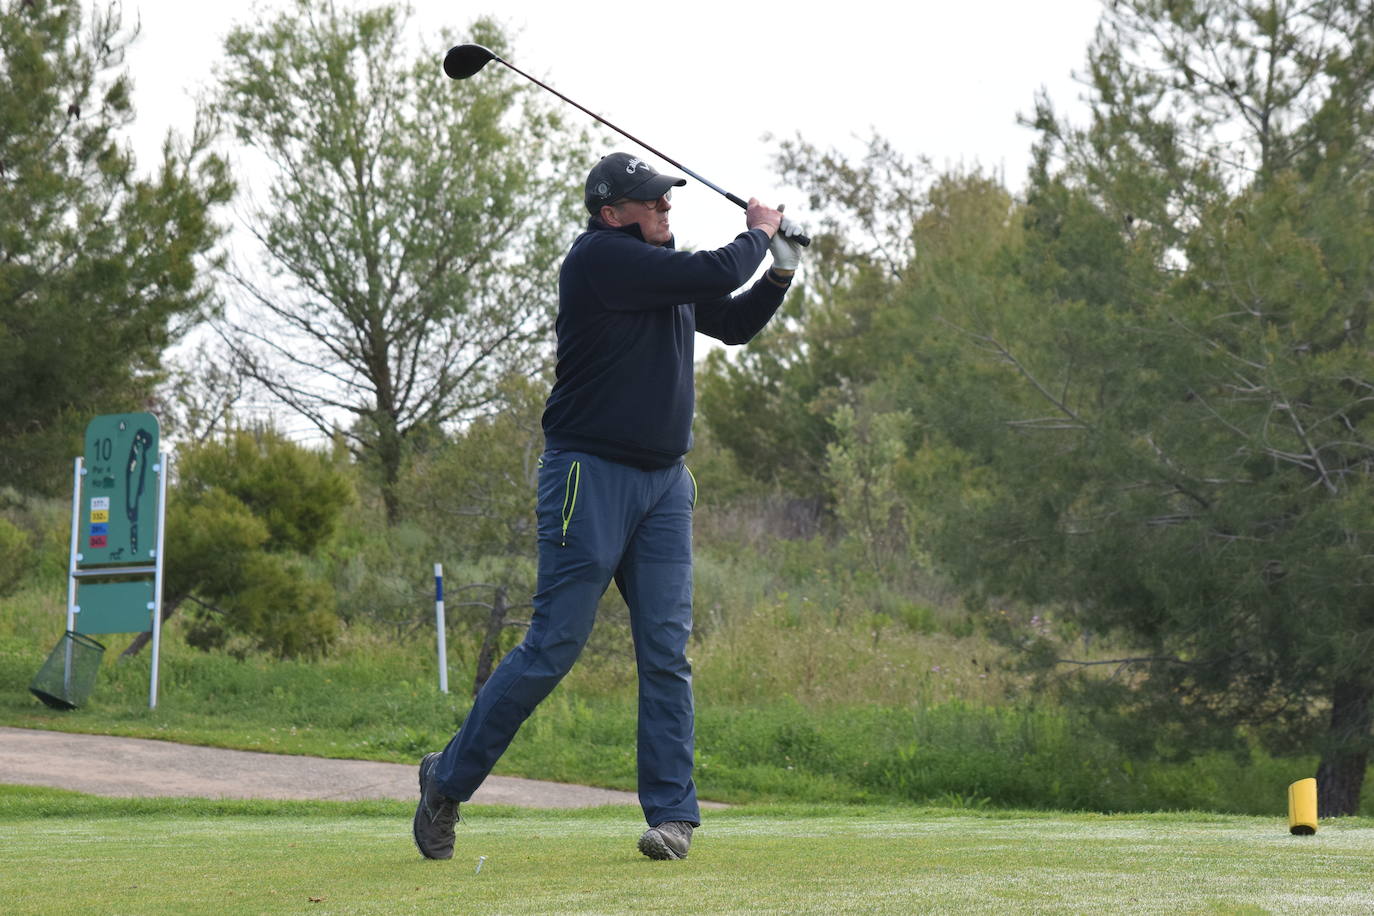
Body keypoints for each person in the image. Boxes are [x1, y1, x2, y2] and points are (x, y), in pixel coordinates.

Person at [413, 152, 806, 861]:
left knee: (666, 651)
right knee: (553, 647)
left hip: (663, 486)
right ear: (610, 213)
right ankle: (447, 780)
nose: (665, 210)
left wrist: (778, 269)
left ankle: (672, 817)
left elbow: (734, 320)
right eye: (651, 202)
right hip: (587, 477)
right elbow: (717, 271)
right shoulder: (601, 261)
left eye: (665, 202)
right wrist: (757, 231)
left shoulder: (662, 270)